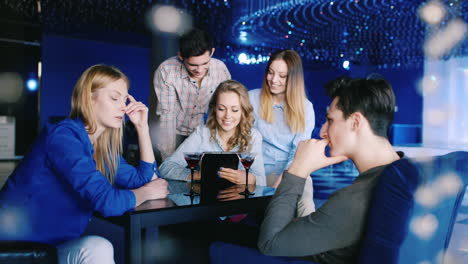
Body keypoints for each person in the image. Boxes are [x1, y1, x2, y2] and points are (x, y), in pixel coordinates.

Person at [0, 65, 169, 264]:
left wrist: (142, 127)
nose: (123, 107)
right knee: (97, 247)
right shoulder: (64, 136)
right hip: (14, 249)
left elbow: (146, 179)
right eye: (115, 98)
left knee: (98, 247)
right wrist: (148, 193)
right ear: (89, 98)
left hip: (52, 248)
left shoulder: (102, 149)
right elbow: (107, 202)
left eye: (125, 100)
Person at [257, 77, 404, 264]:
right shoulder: (405, 176)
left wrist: (298, 169)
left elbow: (269, 243)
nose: (322, 132)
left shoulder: (354, 200)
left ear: (355, 122)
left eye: (330, 120)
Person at [159, 80, 266, 186]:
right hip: (205, 198)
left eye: (235, 110)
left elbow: (262, 180)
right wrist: (198, 175)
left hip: (239, 199)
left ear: (243, 111)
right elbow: (165, 167)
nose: (227, 116)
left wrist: (249, 179)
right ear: (214, 108)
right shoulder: (202, 133)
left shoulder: (253, 136)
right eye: (221, 109)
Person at [249, 49, 315, 216]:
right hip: (260, 170)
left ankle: (308, 238)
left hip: (291, 170)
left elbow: (298, 153)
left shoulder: (306, 108)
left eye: (282, 76)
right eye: (270, 73)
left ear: (293, 79)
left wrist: (284, 180)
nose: (274, 80)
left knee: (305, 193)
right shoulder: (252, 99)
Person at [152, 28, 231, 161]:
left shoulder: (220, 70)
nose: (199, 70)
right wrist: (168, 160)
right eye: (193, 65)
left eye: (205, 63)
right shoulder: (167, 71)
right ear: (181, 56)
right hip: (172, 134)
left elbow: (220, 110)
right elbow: (168, 116)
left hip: (201, 134)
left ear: (212, 52)